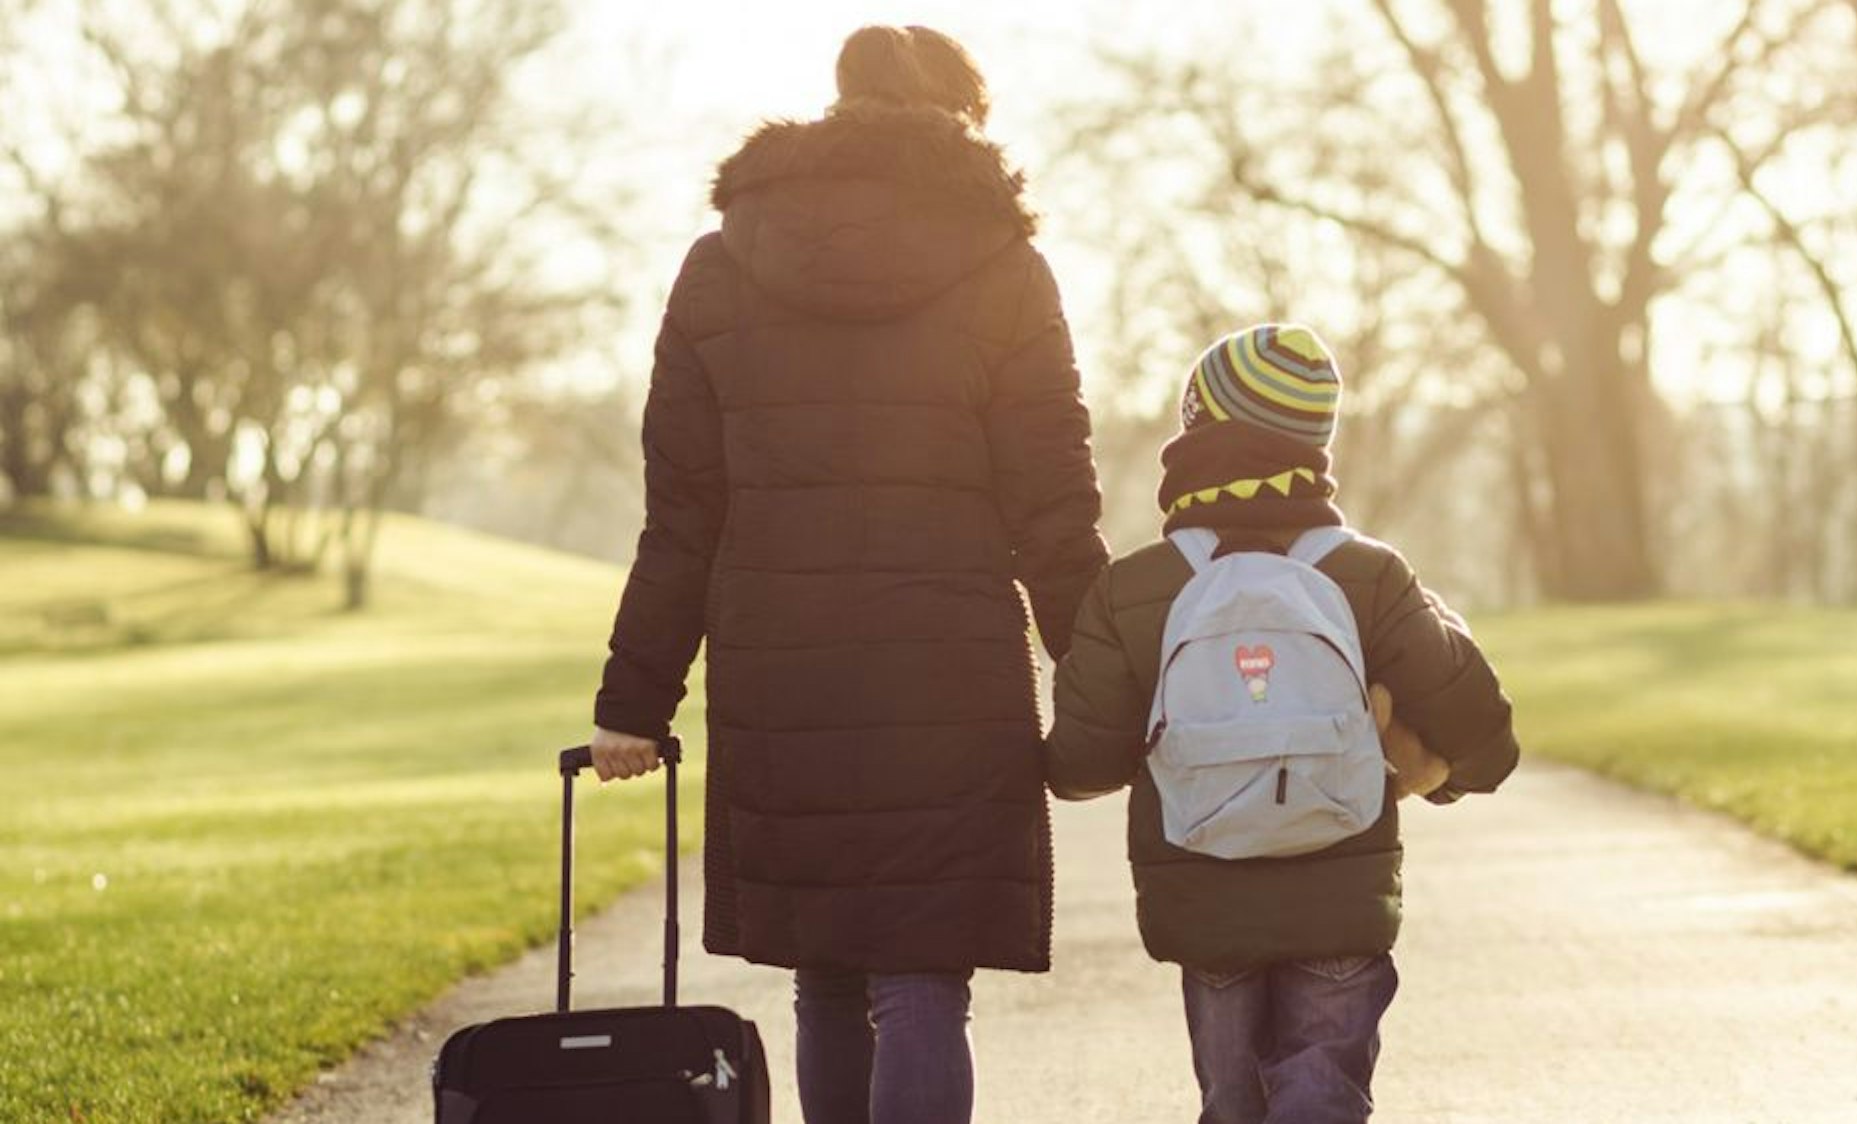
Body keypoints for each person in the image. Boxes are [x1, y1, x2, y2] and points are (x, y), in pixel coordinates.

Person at [586, 24, 1108, 1124]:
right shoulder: (1005, 269)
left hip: (784, 673)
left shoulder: (720, 264)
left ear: (838, 108)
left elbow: (681, 511)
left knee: (825, 970)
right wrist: (1107, 673)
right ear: (960, 117)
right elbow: (1050, 504)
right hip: (947, 672)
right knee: (921, 976)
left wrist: (632, 702)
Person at [1044, 324, 1519, 1124]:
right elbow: (1484, 738)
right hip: (1340, 890)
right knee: (1323, 1088)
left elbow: (1081, 764)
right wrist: (1433, 777)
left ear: (1196, 434)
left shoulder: (1136, 589)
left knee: (1231, 1102)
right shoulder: (1367, 574)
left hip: (1202, 896)